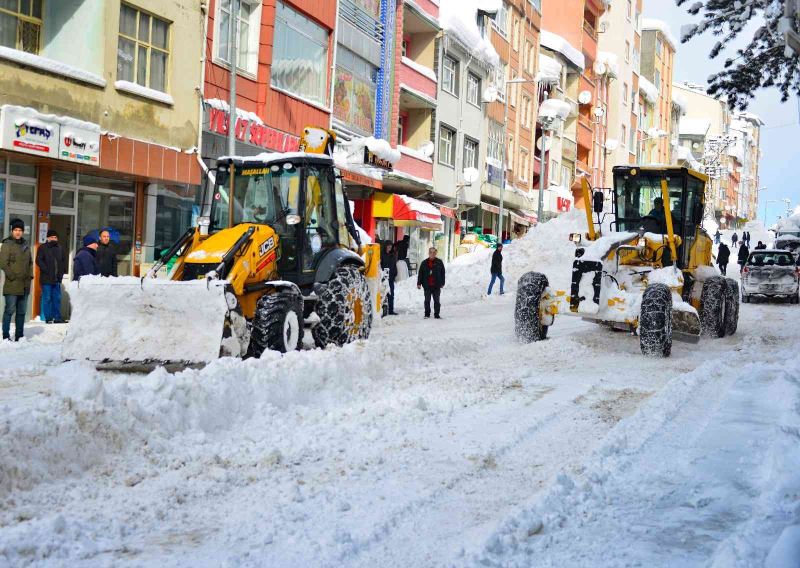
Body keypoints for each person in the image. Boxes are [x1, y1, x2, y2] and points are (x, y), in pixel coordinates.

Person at [0, 219, 33, 341]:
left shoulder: (25, 244)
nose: (18, 232)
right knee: (9, 311)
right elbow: (3, 263)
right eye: (16, 230)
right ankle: (6, 336)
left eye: (20, 230)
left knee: (21, 312)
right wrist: (12, 276)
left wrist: (30, 276)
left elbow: (30, 262)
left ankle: (19, 336)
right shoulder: (7, 244)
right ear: (12, 231)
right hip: (12, 284)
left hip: (25, 284)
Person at [36, 229, 68, 323]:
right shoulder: (42, 247)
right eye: (52, 237)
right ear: (48, 238)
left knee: (57, 299)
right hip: (46, 279)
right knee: (47, 298)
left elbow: (63, 262)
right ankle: (48, 318)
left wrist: (61, 274)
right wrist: (46, 270)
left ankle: (57, 317)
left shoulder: (60, 248)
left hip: (57, 279)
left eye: (55, 237)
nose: (54, 239)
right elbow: (39, 261)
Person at [417, 247, 445, 319]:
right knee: (427, 300)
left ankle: (436, 314)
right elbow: (420, 274)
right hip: (427, 285)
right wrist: (419, 283)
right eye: (431, 252)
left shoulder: (439, 262)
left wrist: (442, 283)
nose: (432, 254)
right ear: (428, 253)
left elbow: (443, 273)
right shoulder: (424, 263)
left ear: (436, 253)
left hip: (436, 285)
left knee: (437, 301)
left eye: (434, 252)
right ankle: (427, 314)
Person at [381, 242, 398, 315]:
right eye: (388, 246)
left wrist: (395, 274)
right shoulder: (381, 255)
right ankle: (383, 311)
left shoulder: (393, 255)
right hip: (383, 278)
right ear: (385, 246)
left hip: (391, 278)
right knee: (383, 295)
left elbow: (394, 266)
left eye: (391, 246)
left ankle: (391, 310)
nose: (389, 247)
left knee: (391, 295)